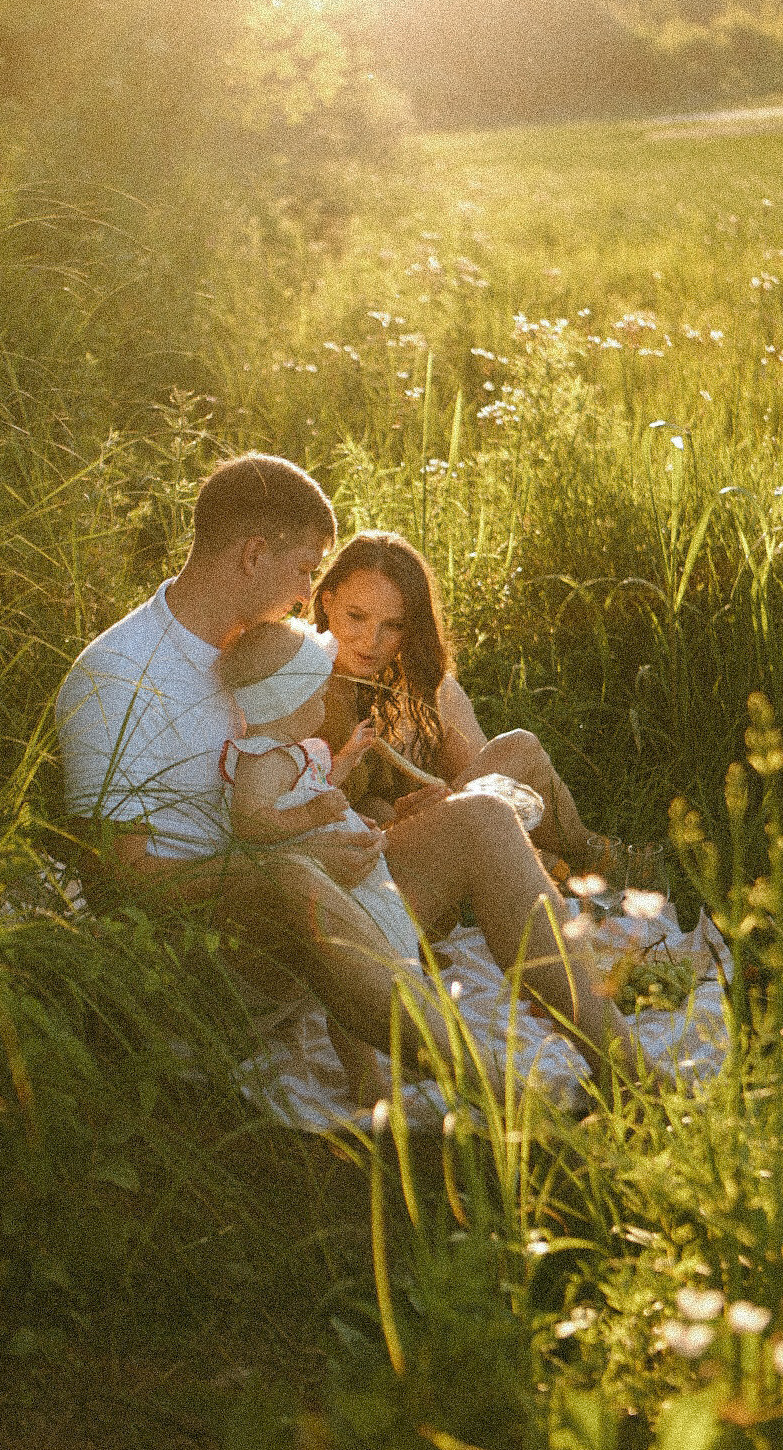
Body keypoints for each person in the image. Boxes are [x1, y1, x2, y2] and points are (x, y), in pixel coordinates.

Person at [56, 452, 635, 1081]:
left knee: (484, 816)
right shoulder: (118, 676)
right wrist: (280, 867)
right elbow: (119, 881)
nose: (309, 595)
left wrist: (357, 832)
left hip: (322, 906)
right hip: (218, 949)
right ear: (254, 555)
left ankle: (625, 1068)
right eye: (305, 571)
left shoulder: (272, 651)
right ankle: (497, 1100)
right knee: (292, 878)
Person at [217, 616, 420, 1104]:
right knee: (349, 972)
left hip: (347, 868)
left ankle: (405, 1039)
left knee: (385, 948)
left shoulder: (295, 749)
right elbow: (251, 823)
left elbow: (322, 783)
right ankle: (365, 1073)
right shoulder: (260, 760)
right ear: (286, 704)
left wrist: (349, 756)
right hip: (317, 881)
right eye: (315, 695)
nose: (324, 701)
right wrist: (314, 815)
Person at [311, 530, 598, 873]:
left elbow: (491, 784)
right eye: (356, 616)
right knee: (519, 758)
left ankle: (590, 861)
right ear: (327, 602)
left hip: (430, 827)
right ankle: (592, 864)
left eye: (393, 625)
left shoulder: (409, 684)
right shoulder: (297, 676)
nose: (371, 641)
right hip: (376, 852)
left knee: (517, 748)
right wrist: (415, 814)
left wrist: (443, 799)